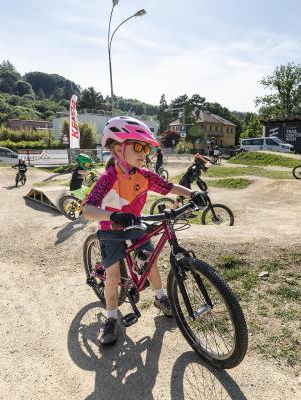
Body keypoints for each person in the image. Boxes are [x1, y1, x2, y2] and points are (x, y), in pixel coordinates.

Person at [82, 116, 208, 346]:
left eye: (146, 148)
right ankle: (111, 320)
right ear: (119, 148)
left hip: (135, 224)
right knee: (113, 277)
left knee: (150, 259)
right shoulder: (109, 177)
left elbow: (168, 187)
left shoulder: (145, 174)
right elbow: (87, 209)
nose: (144, 153)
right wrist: (112, 216)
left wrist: (191, 194)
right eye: (138, 146)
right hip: (111, 229)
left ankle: (160, 298)